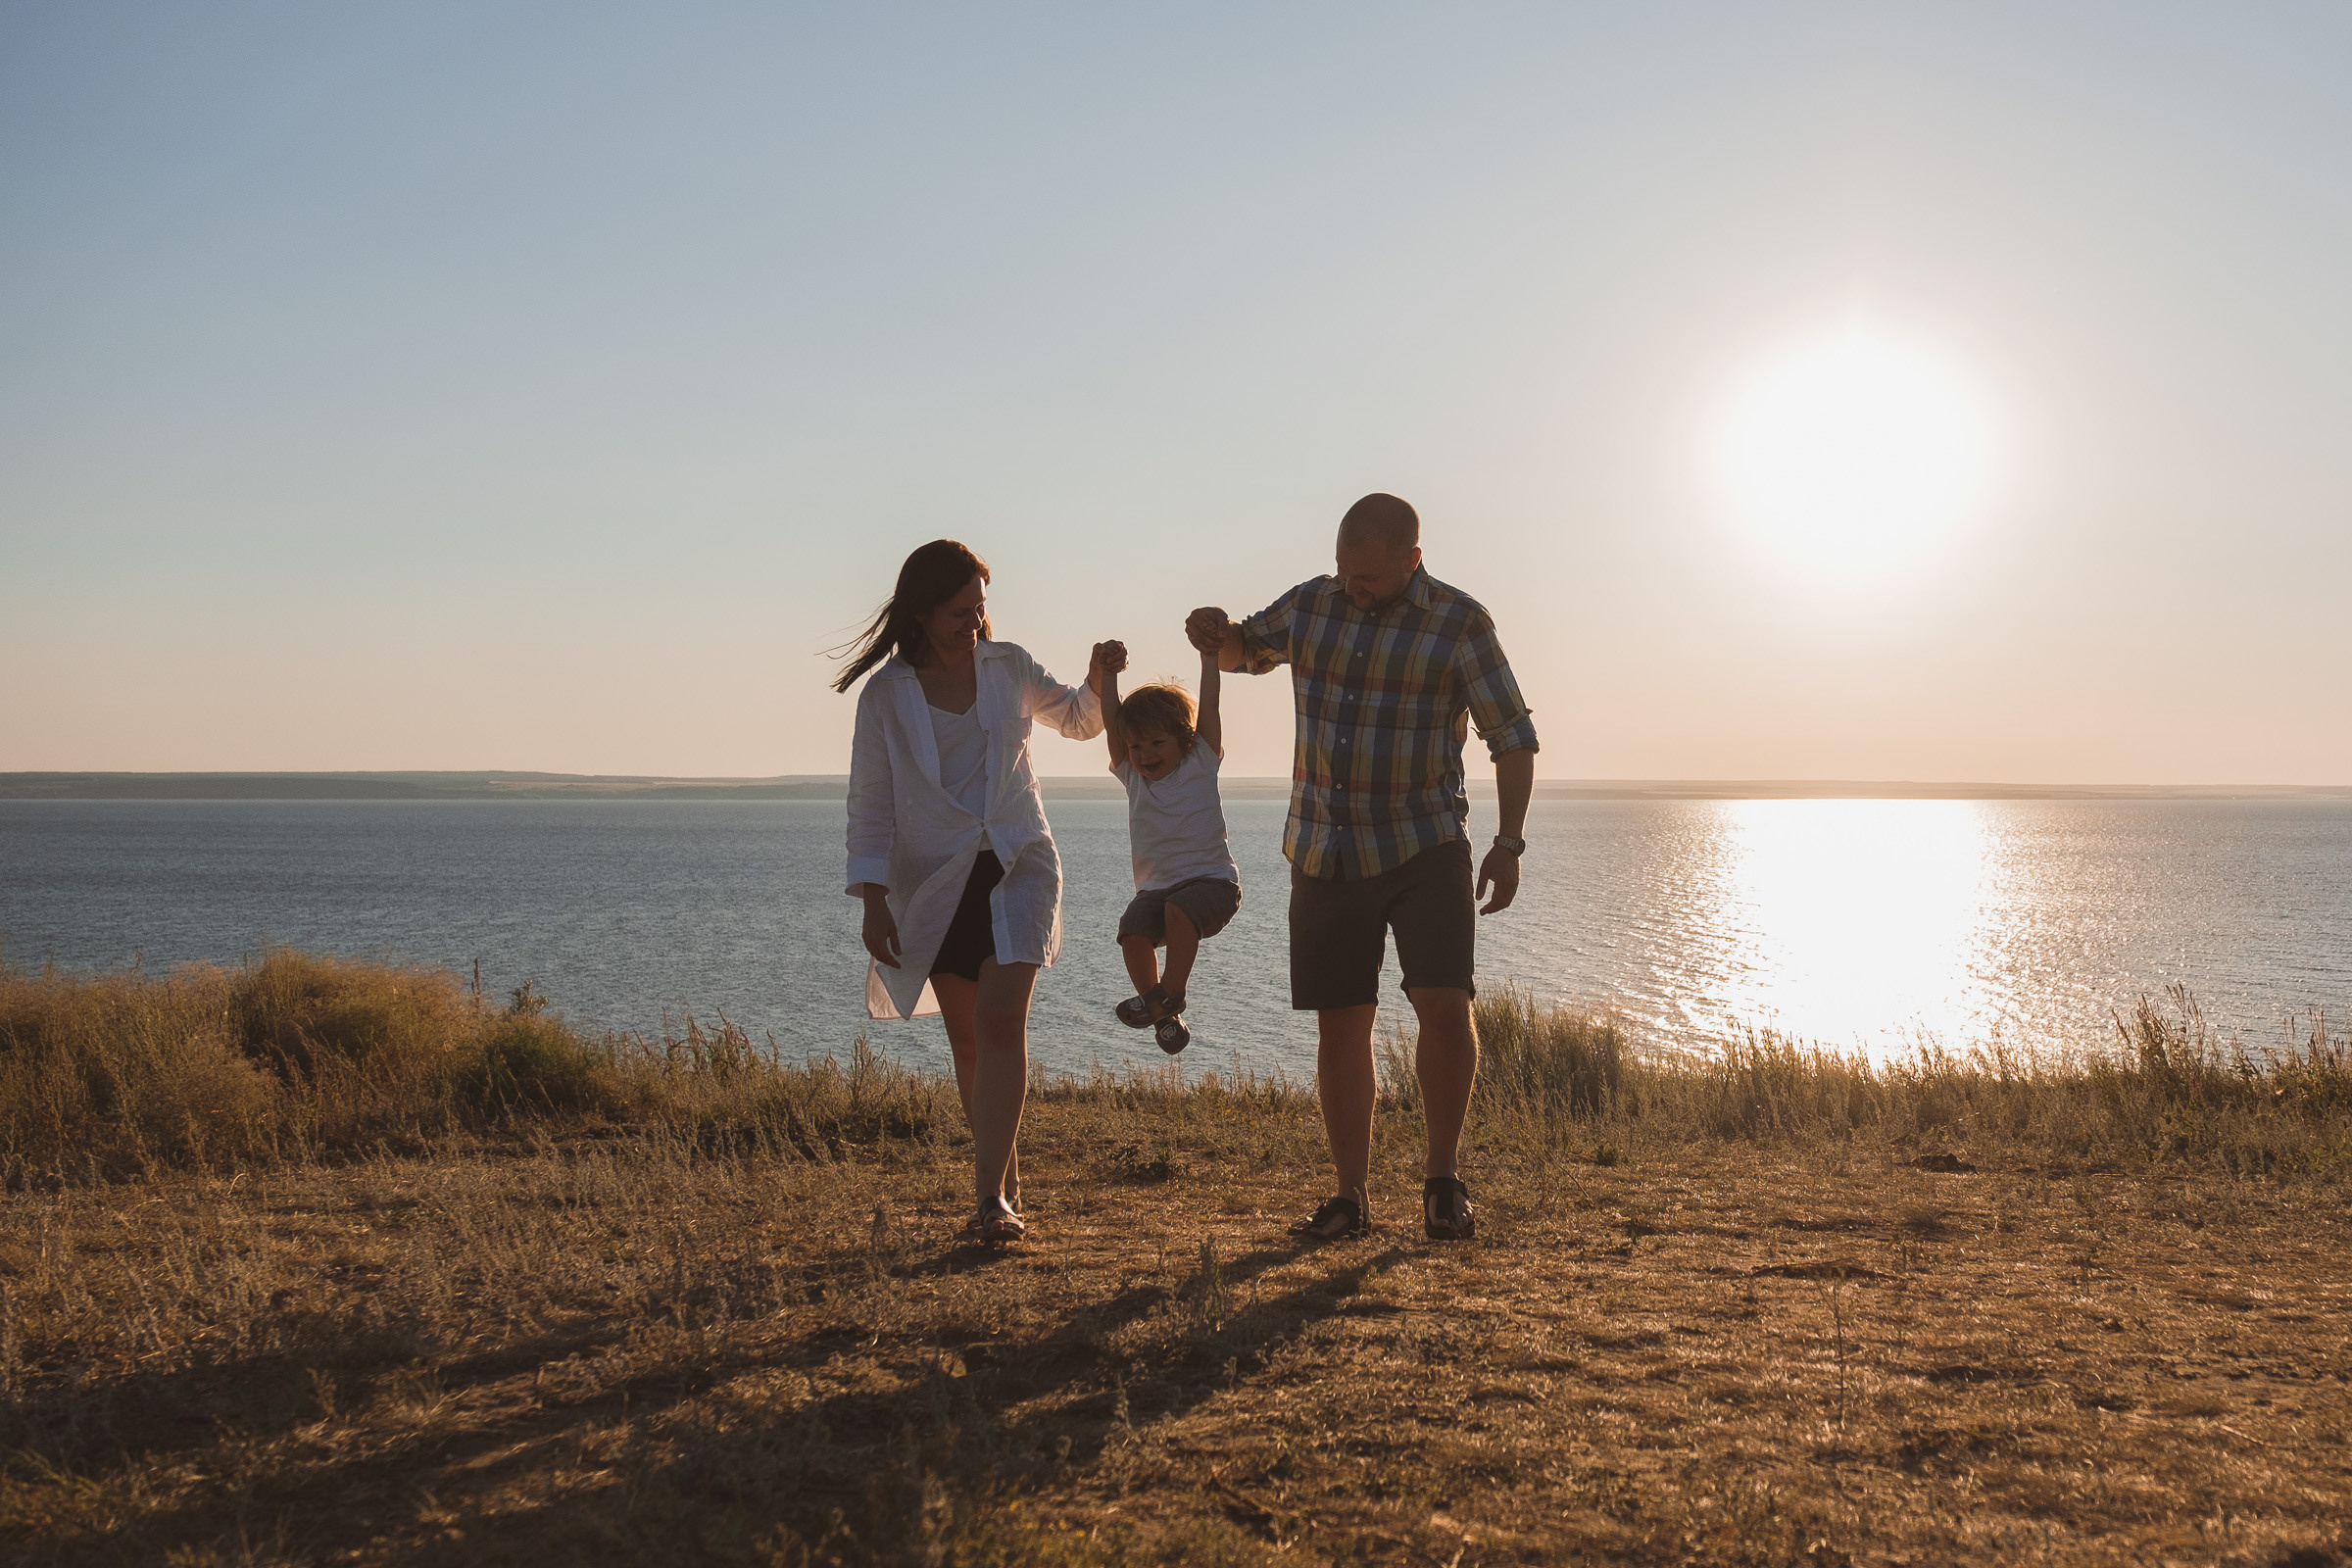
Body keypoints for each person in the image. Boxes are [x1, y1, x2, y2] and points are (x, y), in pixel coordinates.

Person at [1187, 493, 1538, 1242]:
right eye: (1346, 572)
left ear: (1413, 561)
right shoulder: (1313, 604)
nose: (1355, 588)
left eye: (1371, 578)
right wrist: (1213, 634)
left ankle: (1442, 1180)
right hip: (1325, 849)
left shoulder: (1459, 622)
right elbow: (1244, 651)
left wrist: (1509, 844)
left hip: (1424, 845)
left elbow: (1511, 735)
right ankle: (1349, 1198)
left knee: (1444, 1006)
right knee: (1341, 1024)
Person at [837, 539, 1119, 1243]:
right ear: (924, 613)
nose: (974, 623)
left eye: (980, 609)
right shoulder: (885, 697)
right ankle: (1004, 1172)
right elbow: (871, 801)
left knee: (999, 1024)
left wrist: (1098, 677)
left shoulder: (1007, 667)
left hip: (1019, 862)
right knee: (967, 1038)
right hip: (933, 877)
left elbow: (1081, 720)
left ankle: (988, 1199)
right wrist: (872, 899)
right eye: (960, 612)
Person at [1095, 636, 1242, 1055]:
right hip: (1157, 890)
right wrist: (1108, 677)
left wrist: (1210, 657)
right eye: (1137, 746)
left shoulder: (1201, 759)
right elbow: (1112, 720)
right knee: (1132, 931)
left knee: (1180, 911)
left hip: (1213, 884)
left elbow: (1209, 707)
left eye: (1157, 743)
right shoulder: (1133, 777)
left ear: (1185, 739)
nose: (1144, 754)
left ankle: (1171, 992)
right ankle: (1162, 1015)